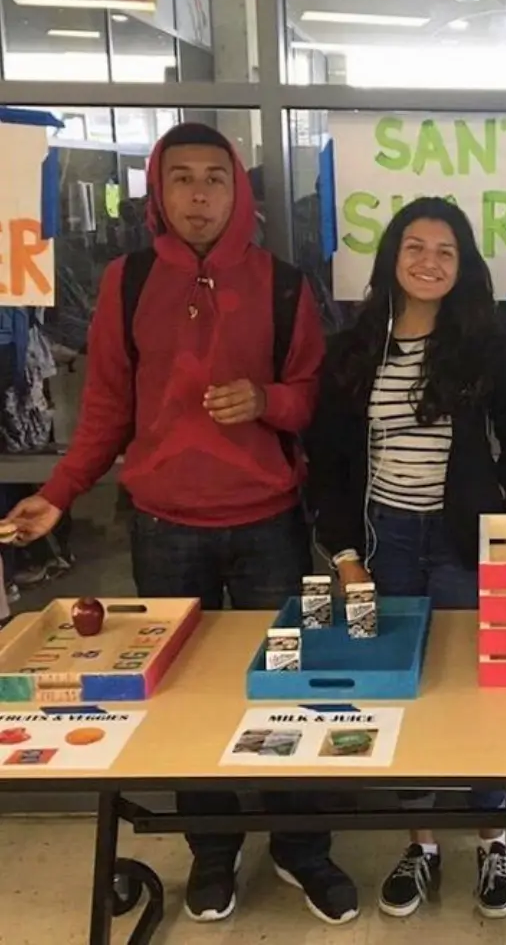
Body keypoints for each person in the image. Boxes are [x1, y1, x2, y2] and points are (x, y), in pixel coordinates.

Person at [3, 122, 358, 926]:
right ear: (157, 192)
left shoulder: (284, 285)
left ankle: (305, 849)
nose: (200, 196)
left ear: (241, 192)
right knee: (183, 702)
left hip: (268, 524)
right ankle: (212, 849)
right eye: (183, 179)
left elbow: (313, 397)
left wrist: (267, 400)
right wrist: (59, 492)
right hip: (164, 529)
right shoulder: (127, 284)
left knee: (288, 695)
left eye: (215, 179)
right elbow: (105, 413)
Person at [306, 196, 506, 921]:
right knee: (403, 689)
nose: (429, 261)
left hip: (463, 540)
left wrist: (505, 517)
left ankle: (492, 837)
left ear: (463, 265)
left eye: (446, 250)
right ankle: (424, 842)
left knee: (474, 689)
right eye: (415, 246)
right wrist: (345, 555)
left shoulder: (490, 347)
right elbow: (328, 465)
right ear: (391, 259)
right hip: (384, 541)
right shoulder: (352, 351)